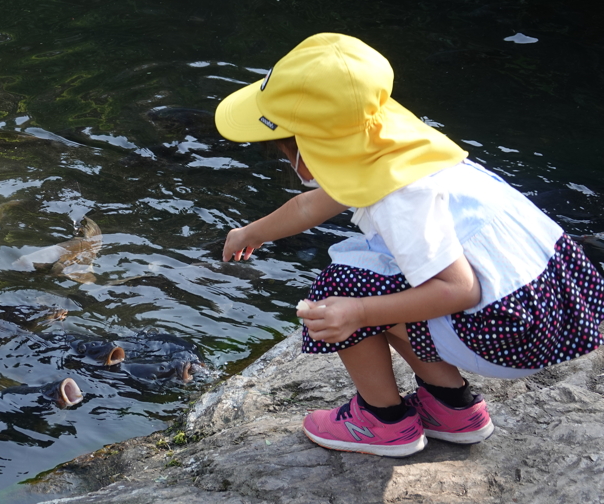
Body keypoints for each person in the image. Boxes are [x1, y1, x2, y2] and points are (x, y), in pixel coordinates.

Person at [213, 33, 604, 457]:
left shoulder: (402, 197)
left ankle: (382, 421)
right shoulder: (393, 147)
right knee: (385, 273)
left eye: (284, 152)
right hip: (559, 308)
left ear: (306, 155)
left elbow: (460, 290)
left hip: (515, 336)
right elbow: (312, 205)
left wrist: (357, 312)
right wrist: (251, 233)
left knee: (342, 288)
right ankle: (451, 407)